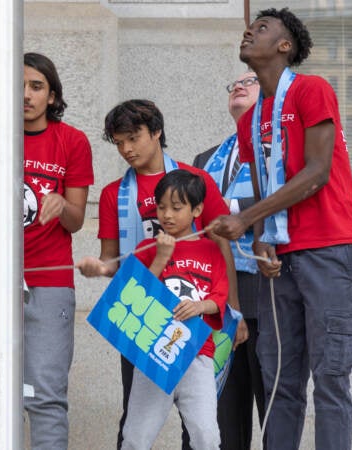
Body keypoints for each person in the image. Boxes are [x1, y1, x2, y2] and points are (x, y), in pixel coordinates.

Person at [211, 8, 352, 450]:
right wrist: (259, 240)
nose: (247, 32)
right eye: (248, 26)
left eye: (261, 28)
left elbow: (315, 173)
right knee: (279, 377)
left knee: (330, 375)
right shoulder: (249, 120)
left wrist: (246, 220)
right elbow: (260, 186)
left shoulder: (312, 89)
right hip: (280, 255)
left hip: (327, 248)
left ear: (284, 46)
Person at [75, 99, 242, 449]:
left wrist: (233, 312)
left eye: (133, 138)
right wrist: (97, 269)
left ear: (156, 132)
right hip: (142, 320)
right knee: (136, 420)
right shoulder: (112, 195)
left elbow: (219, 244)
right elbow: (113, 262)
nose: (126, 149)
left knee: (201, 426)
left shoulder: (194, 181)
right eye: (119, 142)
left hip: (198, 332)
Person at [0, 52, 93, 449]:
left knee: (46, 396)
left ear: (52, 96)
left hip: (50, 282)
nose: (26, 95)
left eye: (36, 86)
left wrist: (61, 206)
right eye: (18, 85)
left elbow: (76, 220)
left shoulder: (72, 140)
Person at [181, 71, 266, 450]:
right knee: (222, 415)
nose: (237, 85)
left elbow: (285, 206)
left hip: (269, 289)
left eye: (250, 80)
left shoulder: (282, 150)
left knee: (275, 405)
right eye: (232, 82)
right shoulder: (205, 160)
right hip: (217, 297)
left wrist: (231, 212)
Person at [122, 169, 227, 449]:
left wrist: (198, 306)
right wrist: (161, 257)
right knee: (135, 437)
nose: (167, 215)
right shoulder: (147, 246)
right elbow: (132, 294)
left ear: (197, 210)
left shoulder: (212, 250)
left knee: (207, 436)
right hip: (153, 352)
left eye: (176, 208)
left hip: (197, 352)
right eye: (161, 207)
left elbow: (219, 298)